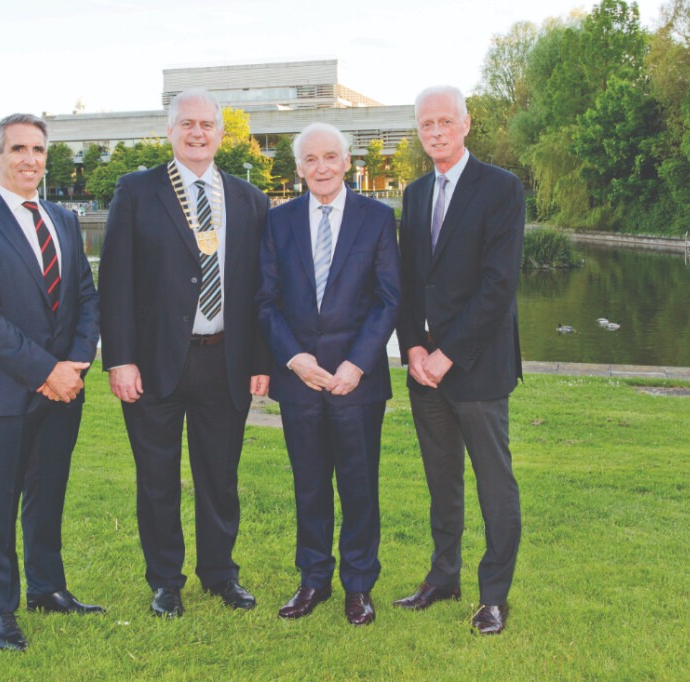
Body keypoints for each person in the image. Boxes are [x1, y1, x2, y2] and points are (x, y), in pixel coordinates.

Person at [99, 89, 271, 618]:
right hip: (153, 364)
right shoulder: (136, 191)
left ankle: (221, 574)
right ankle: (165, 582)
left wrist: (261, 360)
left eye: (207, 125)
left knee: (220, 477)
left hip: (226, 361)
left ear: (222, 134)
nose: (197, 133)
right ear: (169, 131)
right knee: (157, 478)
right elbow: (115, 282)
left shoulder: (248, 199)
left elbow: (261, 288)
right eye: (187, 124)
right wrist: (119, 358)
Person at [0, 113, 103, 651]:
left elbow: (85, 296)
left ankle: (48, 589)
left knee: (49, 493)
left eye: (37, 149)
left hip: (66, 389)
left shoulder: (64, 217)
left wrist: (76, 364)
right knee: (1, 502)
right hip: (6, 392)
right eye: (17, 149)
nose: (29, 159)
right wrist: (45, 372)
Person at [393, 86, 525, 635]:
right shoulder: (416, 192)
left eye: (446, 121)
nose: (437, 132)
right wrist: (415, 347)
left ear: (467, 124)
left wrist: (448, 354)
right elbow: (407, 280)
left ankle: (493, 594)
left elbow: (498, 286)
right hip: (426, 371)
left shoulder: (501, 188)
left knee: (494, 484)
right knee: (441, 482)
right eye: (427, 124)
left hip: (478, 366)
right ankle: (443, 577)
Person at [256, 123, 399, 626]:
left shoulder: (378, 218)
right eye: (310, 159)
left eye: (329, 157)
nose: (320, 167)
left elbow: (388, 299)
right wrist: (294, 358)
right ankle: (312, 579)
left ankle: (358, 586)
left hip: (356, 381)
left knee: (359, 487)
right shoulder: (279, 222)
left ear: (346, 162)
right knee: (310, 485)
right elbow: (266, 302)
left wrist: (356, 363)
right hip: (300, 378)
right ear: (298, 168)